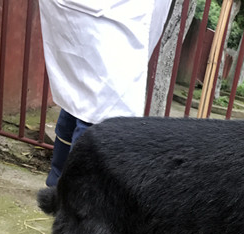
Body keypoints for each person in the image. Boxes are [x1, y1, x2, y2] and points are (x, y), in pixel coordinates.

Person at [38, 0, 172, 186]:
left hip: (100, 15)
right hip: (111, 14)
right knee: (101, 110)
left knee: (81, 98)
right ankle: (73, 195)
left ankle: (56, 184)